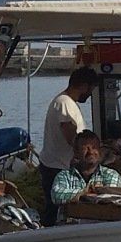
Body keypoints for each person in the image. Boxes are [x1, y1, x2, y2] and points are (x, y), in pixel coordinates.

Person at [37, 68, 99, 224]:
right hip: (56, 168)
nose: (90, 94)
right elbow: (71, 136)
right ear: (84, 86)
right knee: (56, 212)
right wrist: (89, 155)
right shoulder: (64, 103)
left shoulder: (67, 103)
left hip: (59, 166)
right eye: (91, 89)